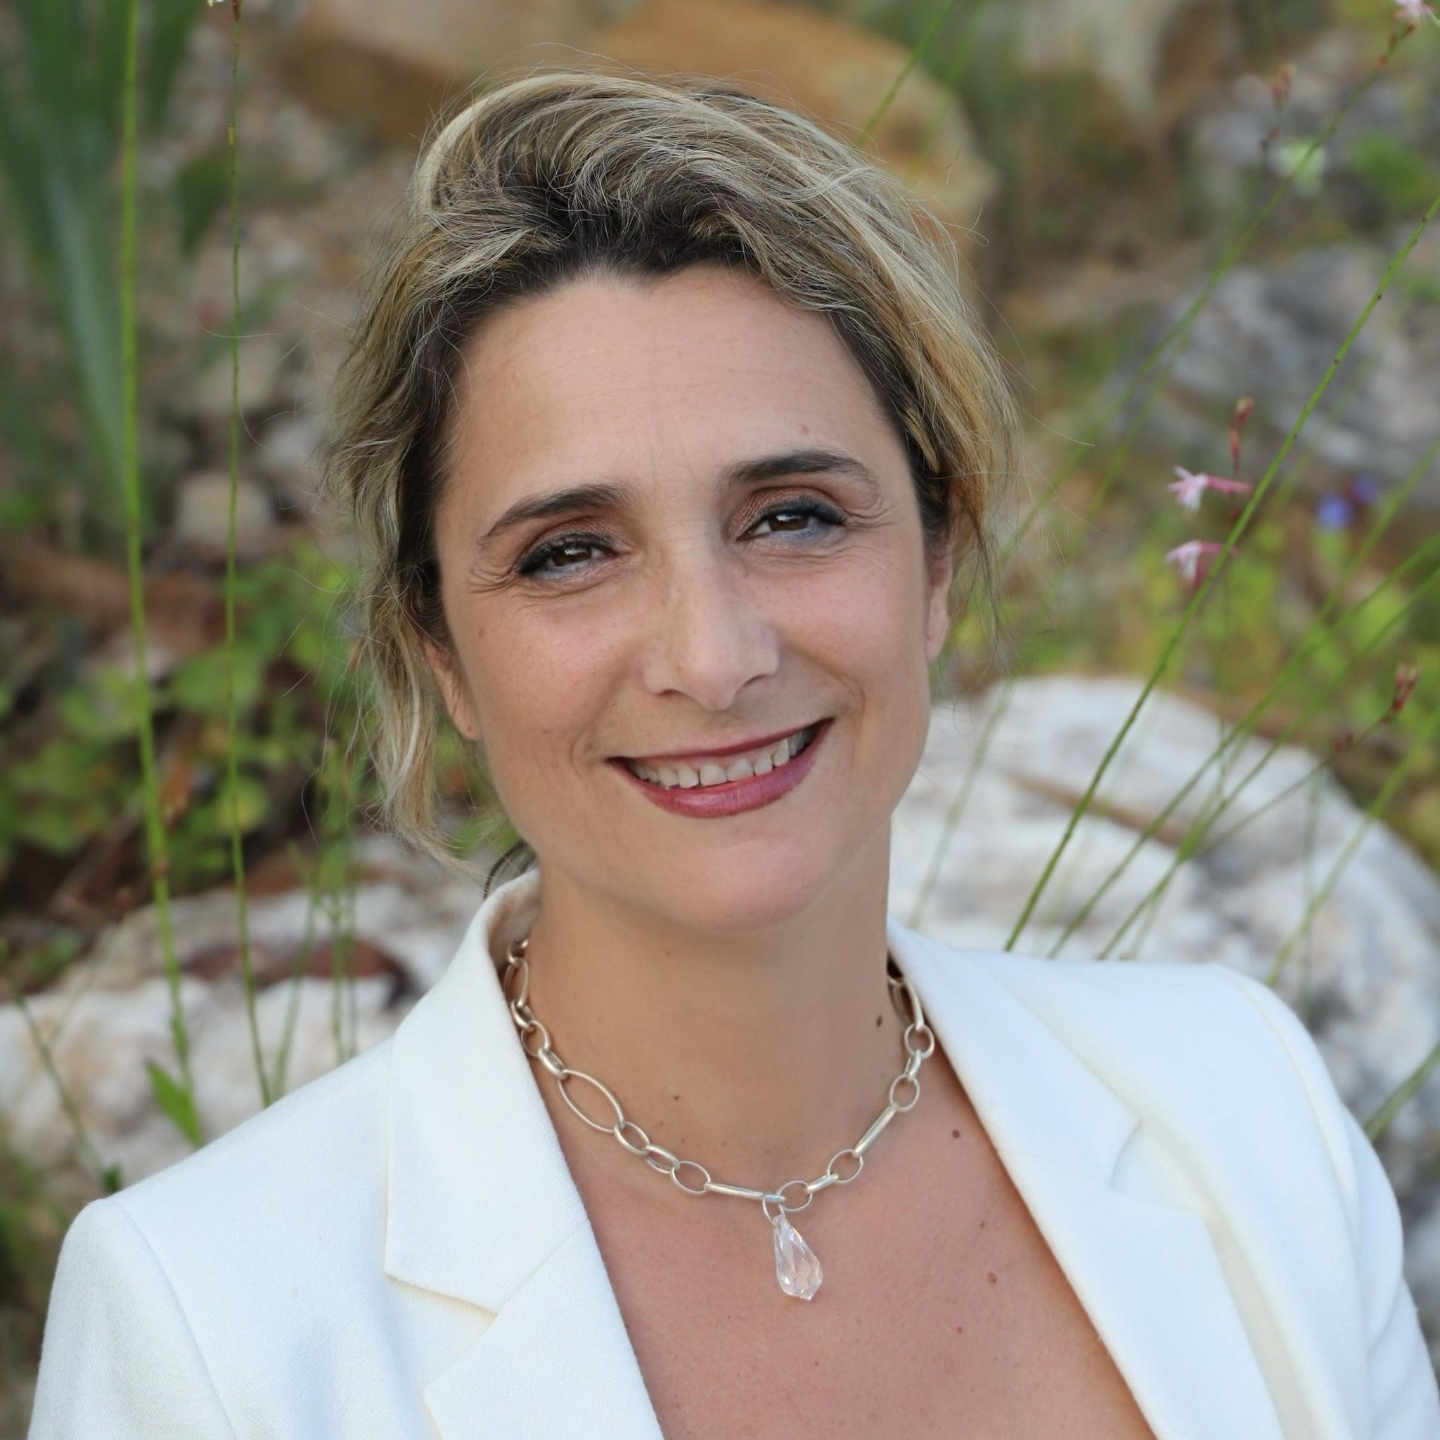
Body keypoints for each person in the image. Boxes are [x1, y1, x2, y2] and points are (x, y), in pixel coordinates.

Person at [28, 66, 1439, 1440]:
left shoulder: (1246, 1108)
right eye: (569, 553)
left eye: (793, 516)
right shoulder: (206, 1324)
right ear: (438, 649)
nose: (713, 658)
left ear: (937, 561)